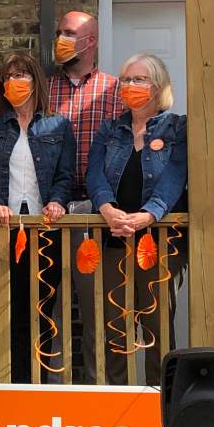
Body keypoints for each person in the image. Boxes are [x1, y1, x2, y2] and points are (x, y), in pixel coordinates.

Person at [0, 52, 75, 383]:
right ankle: (12, 380)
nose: (14, 82)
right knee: (8, 305)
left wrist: (57, 201)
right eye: (8, 77)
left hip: (45, 230)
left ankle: (40, 380)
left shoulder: (58, 124)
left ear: (35, 81)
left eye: (21, 75)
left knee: (43, 305)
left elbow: (66, 174)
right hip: (5, 228)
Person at [86, 53, 187, 385]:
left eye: (138, 79)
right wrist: (107, 209)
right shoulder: (109, 129)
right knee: (116, 324)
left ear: (157, 86)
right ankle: (118, 396)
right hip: (114, 236)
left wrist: (149, 214)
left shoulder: (177, 127)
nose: (130, 85)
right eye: (126, 80)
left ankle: (161, 395)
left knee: (158, 325)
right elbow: (94, 174)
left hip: (159, 242)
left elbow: (176, 176)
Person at [47, 11, 122, 383]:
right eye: (59, 32)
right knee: (49, 305)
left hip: (96, 209)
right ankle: (52, 388)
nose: (60, 39)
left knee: (98, 307)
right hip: (51, 207)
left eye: (68, 33)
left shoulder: (115, 90)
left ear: (90, 41)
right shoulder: (44, 89)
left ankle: (99, 388)